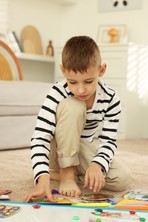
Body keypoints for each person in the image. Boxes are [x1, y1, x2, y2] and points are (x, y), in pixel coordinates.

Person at [24, 36, 132, 202]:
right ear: (63, 71)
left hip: (81, 150)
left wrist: (97, 165)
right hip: (57, 149)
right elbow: (40, 137)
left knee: (122, 178)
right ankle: (66, 174)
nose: (81, 89)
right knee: (74, 105)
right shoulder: (57, 93)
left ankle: (66, 174)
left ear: (101, 70)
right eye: (72, 82)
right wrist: (41, 178)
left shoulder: (111, 99)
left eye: (88, 81)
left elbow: (108, 141)